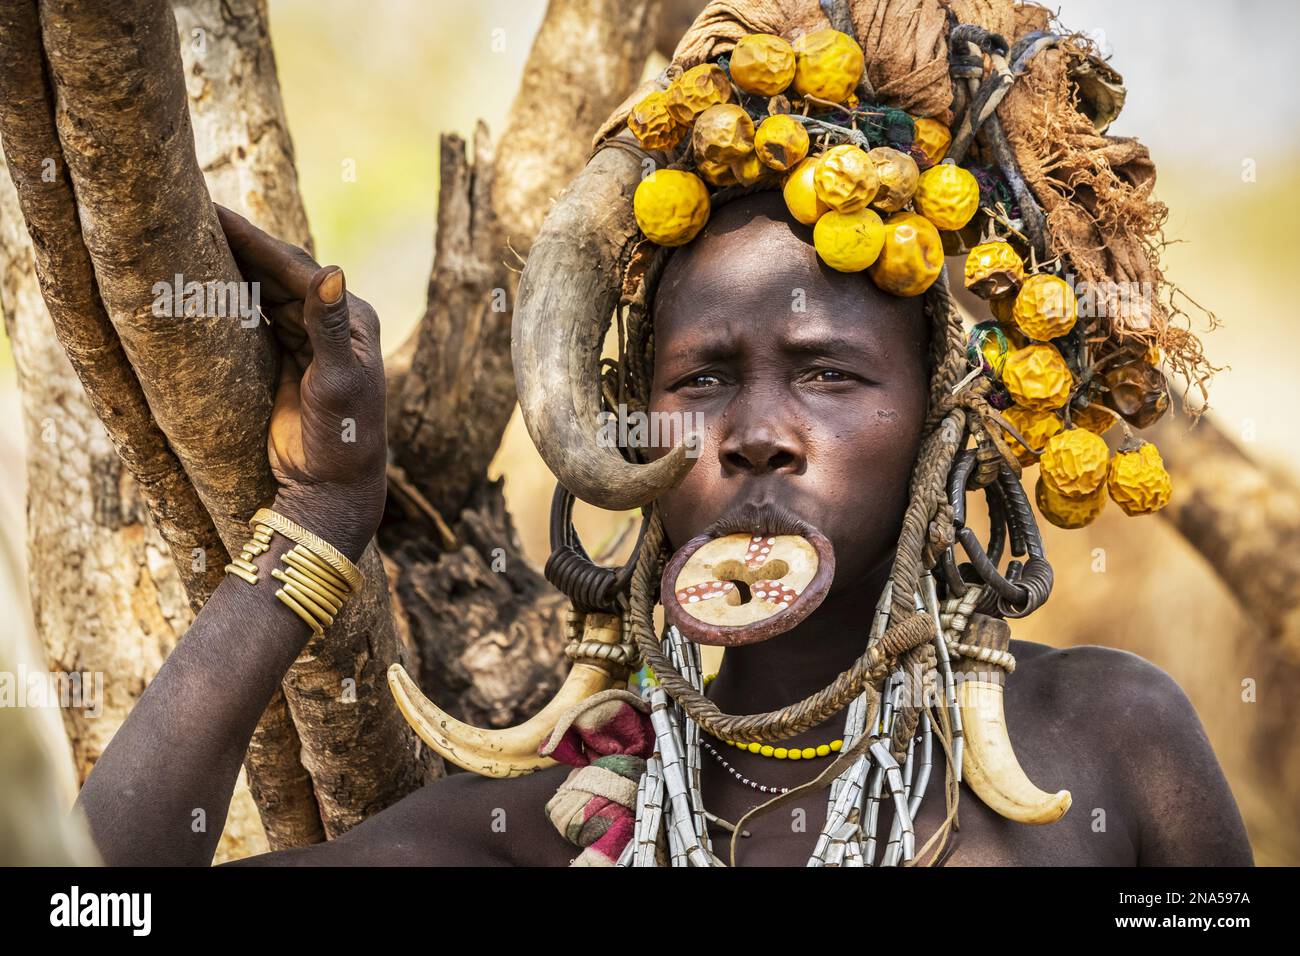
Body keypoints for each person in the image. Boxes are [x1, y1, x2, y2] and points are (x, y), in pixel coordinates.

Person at [71, 195, 1252, 867]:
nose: (757, 435)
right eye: (702, 380)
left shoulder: (1108, 738)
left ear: (944, 418)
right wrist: (321, 516)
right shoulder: (548, 828)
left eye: (830, 374)